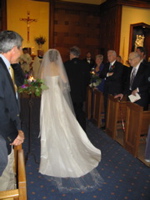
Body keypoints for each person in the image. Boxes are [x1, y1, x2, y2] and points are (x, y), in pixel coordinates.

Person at [39, 49, 103, 192]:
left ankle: (51, 138)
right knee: (62, 117)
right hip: (56, 95)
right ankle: (64, 135)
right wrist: (58, 86)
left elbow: (41, 82)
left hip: (47, 96)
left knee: (49, 118)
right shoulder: (58, 67)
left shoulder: (44, 68)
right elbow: (65, 82)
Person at [0, 30, 25, 191]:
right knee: (6, 179)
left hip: (7, 130)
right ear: (14, 49)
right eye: (21, 49)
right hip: (3, 136)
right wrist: (13, 134)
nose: (22, 53)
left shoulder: (6, 66)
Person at [64, 46, 90, 131]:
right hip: (81, 92)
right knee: (79, 110)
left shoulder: (66, 64)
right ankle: (82, 129)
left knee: (70, 111)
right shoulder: (85, 64)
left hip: (70, 92)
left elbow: (64, 80)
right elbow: (88, 79)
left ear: (71, 54)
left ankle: (71, 129)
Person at [99, 50, 124, 127]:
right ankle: (106, 124)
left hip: (114, 90)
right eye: (108, 56)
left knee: (113, 108)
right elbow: (101, 75)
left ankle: (112, 125)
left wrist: (107, 76)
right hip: (106, 89)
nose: (108, 57)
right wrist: (108, 74)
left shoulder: (119, 65)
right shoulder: (106, 65)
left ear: (114, 56)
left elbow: (116, 76)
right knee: (106, 107)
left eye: (110, 56)